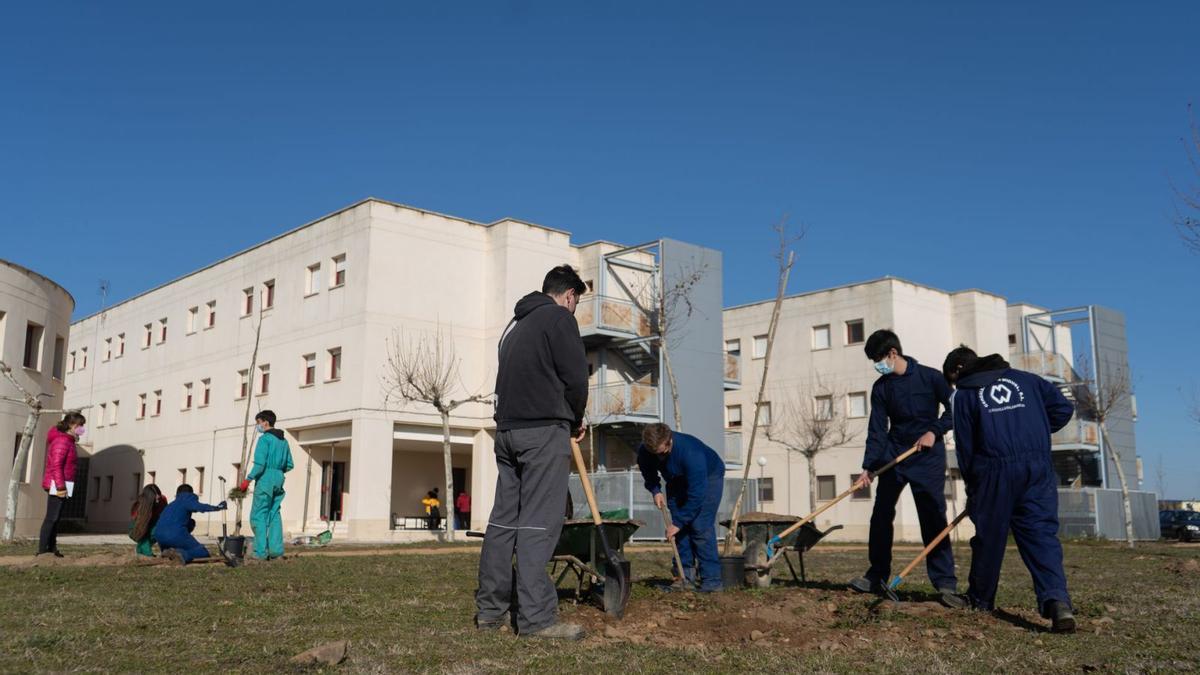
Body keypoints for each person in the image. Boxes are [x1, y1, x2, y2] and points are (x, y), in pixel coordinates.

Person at [475, 264, 589, 641]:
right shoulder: (559, 319)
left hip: (507, 433)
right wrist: (575, 418)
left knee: (504, 522)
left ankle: (490, 613)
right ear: (569, 295)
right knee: (540, 523)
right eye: (576, 302)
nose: (574, 308)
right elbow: (575, 378)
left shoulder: (513, 326)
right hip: (542, 432)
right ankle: (537, 620)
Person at [942, 346, 1077, 632]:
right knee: (1041, 534)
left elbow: (966, 448)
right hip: (1038, 465)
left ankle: (980, 599)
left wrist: (973, 488)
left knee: (990, 538)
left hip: (994, 471)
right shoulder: (1028, 380)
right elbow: (1064, 408)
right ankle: (1057, 601)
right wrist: (1035, 429)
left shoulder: (965, 394)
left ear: (958, 371)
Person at [848, 329, 963, 608]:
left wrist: (934, 432)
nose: (877, 365)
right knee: (881, 514)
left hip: (927, 456)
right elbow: (877, 429)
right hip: (893, 456)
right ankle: (877, 575)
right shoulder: (882, 387)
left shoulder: (931, 377)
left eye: (878, 359)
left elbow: (954, 409)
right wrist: (869, 467)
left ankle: (945, 582)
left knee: (933, 515)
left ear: (892, 353)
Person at [636, 423, 726, 592]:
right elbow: (648, 471)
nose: (660, 458)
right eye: (656, 455)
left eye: (663, 453)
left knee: (700, 527)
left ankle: (712, 582)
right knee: (680, 531)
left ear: (669, 442)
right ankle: (684, 577)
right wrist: (655, 490)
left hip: (708, 477)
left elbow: (697, 494)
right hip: (676, 480)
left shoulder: (691, 453)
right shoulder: (646, 450)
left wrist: (678, 522)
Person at [238, 410, 293, 561]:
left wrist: (247, 480)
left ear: (265, 422)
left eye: (258, 423)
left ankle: (260, 553)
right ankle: (276, 552)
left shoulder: (264, 440)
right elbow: (289, 464)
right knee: (274, 514)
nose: (257, 426)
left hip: (265, 480)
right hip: (279, 478)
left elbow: (260, 465)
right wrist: (277, 471)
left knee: (258, 516)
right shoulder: (284, 441)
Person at [38, 412, 84, 557]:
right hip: (58, 484)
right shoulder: (62, 441)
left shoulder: (69, 441)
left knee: (56, 517)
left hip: (63, 483)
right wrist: (60, 486)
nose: (82, 429)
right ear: (72, 425)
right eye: (80, 426)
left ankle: (51, 548)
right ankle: (43, 550)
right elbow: (56, 465)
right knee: (52, 517)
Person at [153, 484, 226, 564]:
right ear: (191, 493)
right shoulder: (187, 499)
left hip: (159, 536)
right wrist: (218, 507)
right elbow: (199, 506)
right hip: (175, 534)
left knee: (191, 522)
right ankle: (182, 554)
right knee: (202, 552)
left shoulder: (171, 505)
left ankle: (168, 551)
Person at [129, 484, 167, 557]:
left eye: (159, 497)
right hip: (139, 528)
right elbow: (138, 524)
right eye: (155, 498)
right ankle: (144, 548)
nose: (158, 500)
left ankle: (141, 548)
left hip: (155, 526)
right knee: (149, 532)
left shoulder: (162, 500)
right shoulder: (139, 505)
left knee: (159, 530)